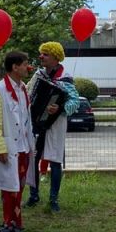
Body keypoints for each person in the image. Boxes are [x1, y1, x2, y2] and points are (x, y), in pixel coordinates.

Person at [25, 41, 80, 211]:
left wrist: (60, 108)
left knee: (55, 161)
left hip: (56, 124)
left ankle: (53, 200)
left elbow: (75, 101)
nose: (41, 56)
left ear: (56, 57)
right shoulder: (39, 74)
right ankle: (33, 195)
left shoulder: (65, 78)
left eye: (45, 54)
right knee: (33, 159)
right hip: (36, 123)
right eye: (41, 53)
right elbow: (28, 92)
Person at [0, 50, 34, 230]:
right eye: (24, 64)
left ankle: (16, 221)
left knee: (19, 186)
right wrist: (0, 147)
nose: (27, 67)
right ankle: (9, 223)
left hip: (23, 146)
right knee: (9, 188)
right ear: (15, 67)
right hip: (9, 147)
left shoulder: (23, 88)